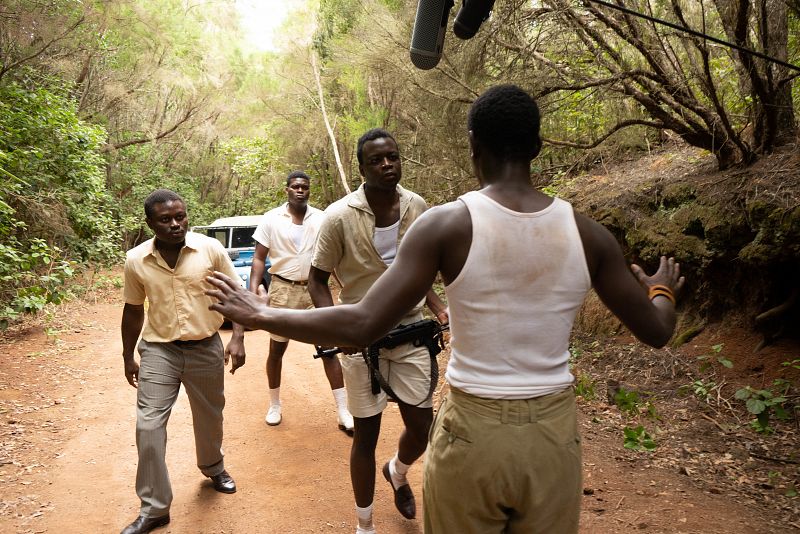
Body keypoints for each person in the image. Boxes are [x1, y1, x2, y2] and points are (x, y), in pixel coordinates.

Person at [205, 85, 685, 534]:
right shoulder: (588, 234)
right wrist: (661, 290)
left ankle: (394, 476)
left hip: (472, 430)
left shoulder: (444, 225)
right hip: (553, 437)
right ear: (537, 146)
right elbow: (658, 331)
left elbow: (364, 321)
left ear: (473, 144)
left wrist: (262, 313)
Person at [309, 128, 448, 533]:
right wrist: (333, 326)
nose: (387, 165)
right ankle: (364, 525)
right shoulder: (338, 216)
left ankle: (398, 471)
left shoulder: (417, 206)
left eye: (393, 157)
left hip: (411, 332)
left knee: (421, 427)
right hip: (360, 339)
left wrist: (438, 307)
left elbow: (425, 270)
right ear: (362, 167)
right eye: (377, 160)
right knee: (365, 436)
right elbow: (317, 279)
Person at [120, 189, 245, 534]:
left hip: (206, 346)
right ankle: (155, 507)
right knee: (148, 426)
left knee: (210, 416)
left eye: (180, 217)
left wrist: (237, 336)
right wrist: (127, 355)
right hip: (160, 350)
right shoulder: (136, 260)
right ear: (150, 223)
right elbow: (132, 310)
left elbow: (235, 295)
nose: (175, 225)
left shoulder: (210, 250)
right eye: (165, 219)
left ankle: (213, 466)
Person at [240, 170, 353, 432]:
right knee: (277, 350)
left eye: (304, 187)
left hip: (316, 288)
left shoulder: (322, 218)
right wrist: (254, 288)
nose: (300, 190)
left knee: (329, 349)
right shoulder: (271, 219)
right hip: (282, 289)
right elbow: (259, 257)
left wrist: (346, 284)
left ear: (309, 190)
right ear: (287, 190)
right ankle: (275, 405)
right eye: (295, 187)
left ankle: (343, 411)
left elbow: (333, 255)